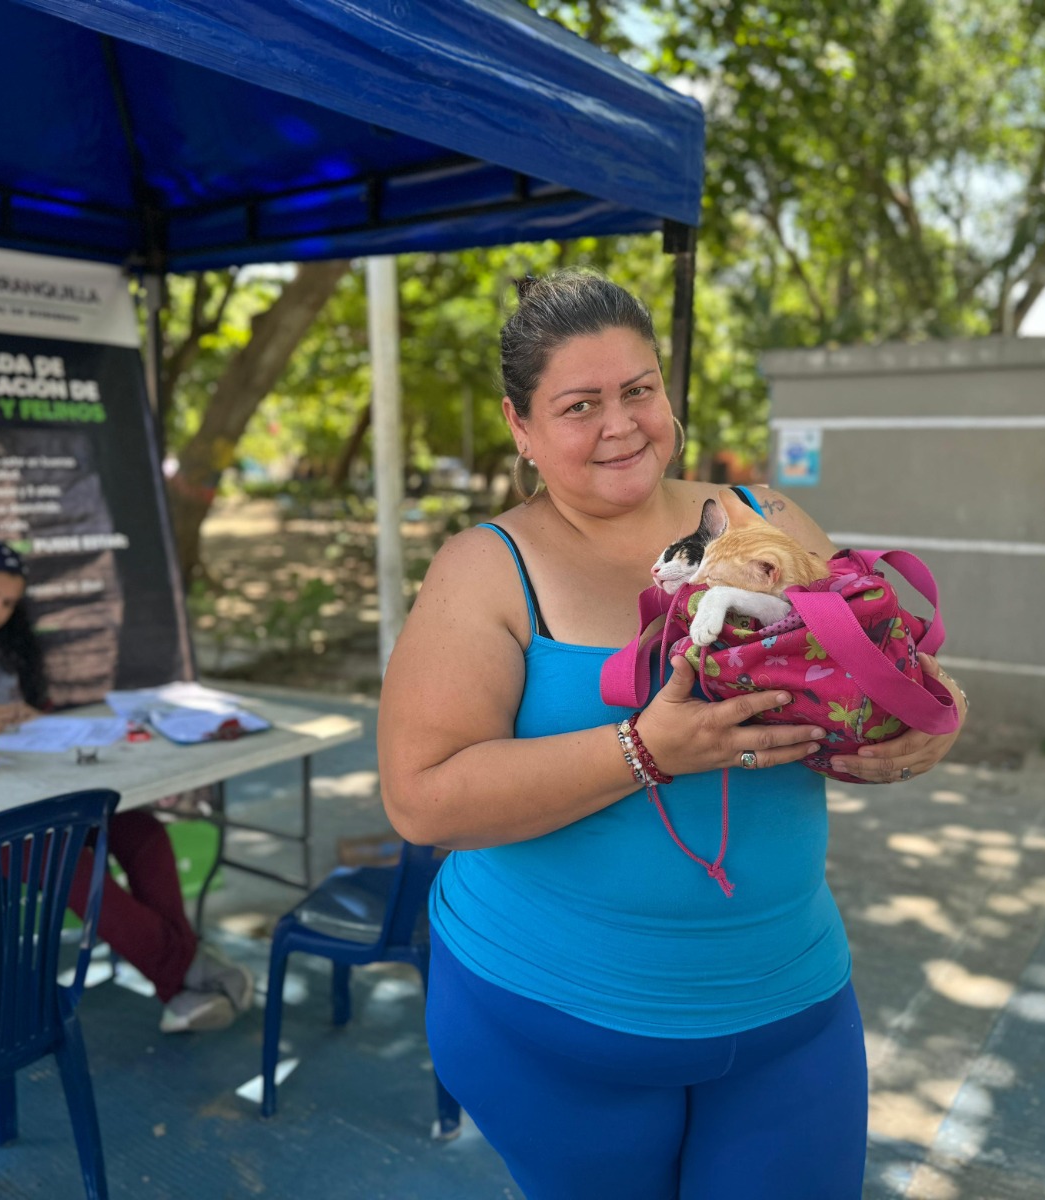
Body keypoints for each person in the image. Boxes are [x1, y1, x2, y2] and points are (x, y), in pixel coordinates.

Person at [378, 270, 968, 1199]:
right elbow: (420, 799)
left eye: (639, 390)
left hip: (792, 1006)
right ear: (520, 426)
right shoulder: (485, 568)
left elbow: (866, 669)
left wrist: (923, 720)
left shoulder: (763, 518)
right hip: (551, 1023)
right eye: (579, 405)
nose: (621, 425)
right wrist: (643, 752)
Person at [0, 539, 254, 1034]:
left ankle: (181, 980)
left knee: (143, 831)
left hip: (29, 790)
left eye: (7, 602)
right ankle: (187, 972)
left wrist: (30, 719)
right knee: (72, 865)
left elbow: (20, 724)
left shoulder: (2, 645)